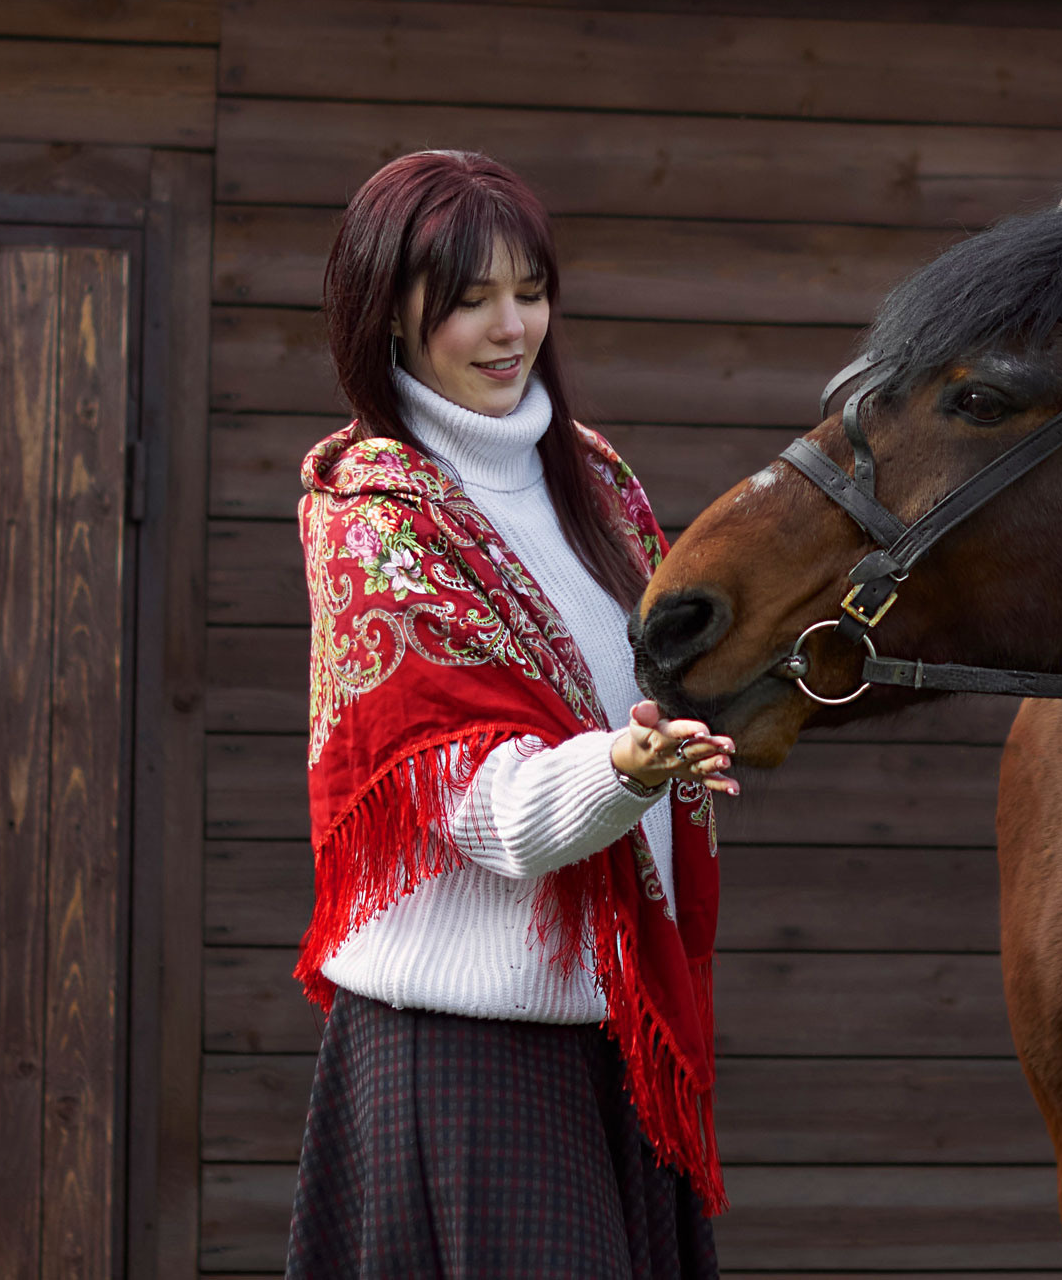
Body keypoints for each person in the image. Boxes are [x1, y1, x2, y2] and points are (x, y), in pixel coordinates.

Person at [285, 150, 737, 1279]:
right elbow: (487, 812)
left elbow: (669, 686)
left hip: (615, 1029)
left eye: (529, 290)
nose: (511, 328)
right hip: (462, 1052)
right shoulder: (375, 519)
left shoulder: (597, 479)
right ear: (389, 309)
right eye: (469, 299)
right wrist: (630, 765)